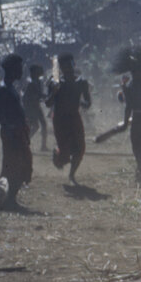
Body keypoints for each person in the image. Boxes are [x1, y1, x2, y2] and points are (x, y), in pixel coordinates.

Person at [112, 47, 141, 183]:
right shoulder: (140, 84)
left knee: (138, 144)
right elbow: (129, 105)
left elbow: (129, 106)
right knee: (138, 144)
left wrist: (126, 122)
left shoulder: (134, 85)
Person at [46, 53, 91, 184]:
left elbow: (88, 102)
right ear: (60, 68)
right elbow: (48, 103)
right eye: (64, 66)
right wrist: (54, 93)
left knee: (80, 148)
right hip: (60, 119)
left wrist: (82, 103)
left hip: (74, 117)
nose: (68, 69)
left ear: (74, 65)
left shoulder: (82, 82)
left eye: (69, 65)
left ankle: (71, 175)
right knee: (64, 154)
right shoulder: (54, 83)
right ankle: (57, 153)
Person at [0, 54, 32, 209]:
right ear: (10, 69)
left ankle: (11, 199)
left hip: (17, 132)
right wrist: (12, 129)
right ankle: (9, 200)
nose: (21, 71)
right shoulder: (3, 89)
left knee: (20, 164)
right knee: (14, 165)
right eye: (18, 68)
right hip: (12, 133)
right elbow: (2, 114)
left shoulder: (10, 88)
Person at [23, 63, 49, 152]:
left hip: (35, 106)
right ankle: (25, 143)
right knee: (36, 126)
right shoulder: (32, 83)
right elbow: (32, 96)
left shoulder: (37, 82)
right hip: (32, 107)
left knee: (39, 125)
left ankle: (41, 146)